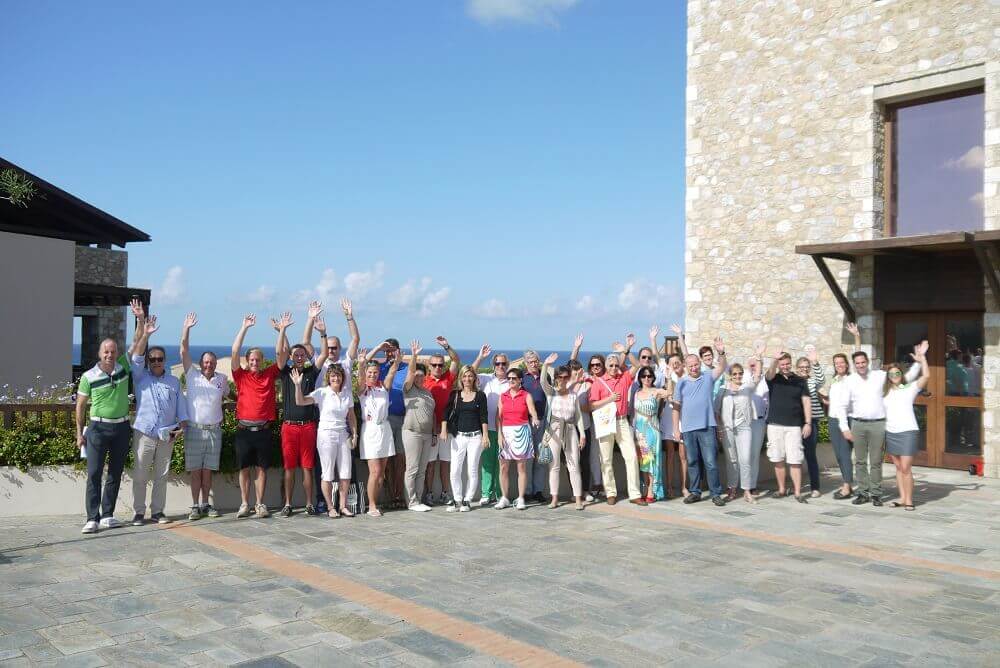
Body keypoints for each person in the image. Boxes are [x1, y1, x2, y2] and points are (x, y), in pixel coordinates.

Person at [75, 298, 147, 534]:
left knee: (115, 473)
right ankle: (91, 517)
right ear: (100, 353)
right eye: (106, 351)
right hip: (97, 428)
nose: (110, 354)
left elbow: (137, 342)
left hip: (121, 428)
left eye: (113, 351)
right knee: (94, 474)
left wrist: (139, 318)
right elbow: (81, 407)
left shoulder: (123, 367)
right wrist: (79, 433)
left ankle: (107, 514)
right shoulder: (89, 376)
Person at [842, 334, 921, 507]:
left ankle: (876, 494)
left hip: (878, 424)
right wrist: (844, 426)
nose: (861, 365)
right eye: (857, 363)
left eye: (863, 362)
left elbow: (904, 377)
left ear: (868, 362)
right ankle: (863, 492)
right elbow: (842, 405)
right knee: (861, 461)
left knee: (876, 461)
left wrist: (919, 361)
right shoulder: (850, 380)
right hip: (857, 424)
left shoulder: (879, 375)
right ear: (854, 365)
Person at [302, 298, 360, 512]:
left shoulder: (345, 363)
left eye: (335, 347)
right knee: (323, 466)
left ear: (339, 348)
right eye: (329, 347)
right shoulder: (320, 360)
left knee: (346, 466)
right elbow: (305, 342)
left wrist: (349, 315)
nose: (332, 350)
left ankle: (346, 504)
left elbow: (356, 338)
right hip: (323, 419)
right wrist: (310, 319)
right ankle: (322, 501)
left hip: (346, 417)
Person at [129, 313, 188, 526]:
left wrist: (181, 428)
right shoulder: (140, 376)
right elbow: (136, 356)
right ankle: (138, 512)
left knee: (162, 476)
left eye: (159, 359)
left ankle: (158, 512)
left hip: (166, 435)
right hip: (144, 433)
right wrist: (145, 333)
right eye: (152, 359)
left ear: (165, 361)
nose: (155, 362)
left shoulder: (173, 382)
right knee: (140, 475)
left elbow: (181, 408)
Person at [231, 312, 291, 518]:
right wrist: (244, 327)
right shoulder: (241, 376)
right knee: (244, 469)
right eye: (252, 359)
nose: (255, 362)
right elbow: (234, 350)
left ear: (262, 361)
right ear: (247, 361)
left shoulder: (269, 373)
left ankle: (259, 504)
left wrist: (281, 330)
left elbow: (283, 355)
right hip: (244, 431)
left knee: (262, 469)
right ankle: (244, 504)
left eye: (258, 359)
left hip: (263, 430)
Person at [277, 314, 329, 517]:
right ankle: (288, 504)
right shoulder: (285, 372)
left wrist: (323, 333)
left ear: (307, 357)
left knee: (307, 467)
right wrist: (282, 330)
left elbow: (324, 354)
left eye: (302, 355)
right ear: (291, 357)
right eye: (296, 354)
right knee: (289, 468)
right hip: (289, 427)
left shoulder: (310, 372)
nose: (299, 357)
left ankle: (309, 503)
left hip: (308, 426)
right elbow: (279, 352)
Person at [290, 363, 358, 517]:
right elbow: (300, 401)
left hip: (343, 434)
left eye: (338, 375)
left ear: (342, 377)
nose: (336, 378)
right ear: (329, 378)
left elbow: (352, 416)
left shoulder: (347, 393)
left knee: (346, 472)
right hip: (326, 434)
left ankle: (343, 506)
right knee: (327, 473)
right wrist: (297, 386)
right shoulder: (322, 393)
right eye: (333, 375)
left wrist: (355, 434)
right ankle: (330, 507)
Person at [180, 312, 228, 520]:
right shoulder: (192, 376)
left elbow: (228, 396)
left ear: (216, 364)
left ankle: (206, 505)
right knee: (195, 471)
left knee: (208, 471)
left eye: (212, 362)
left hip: (214, 431)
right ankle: (194, 506)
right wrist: (187, 328)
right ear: (201, 363)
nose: (209, 365)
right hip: (194, 430)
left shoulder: (222, 379)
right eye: (206, 362)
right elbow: (183, 349)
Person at [672, 338, 728, 507]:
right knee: (693, 461)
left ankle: (716, 493)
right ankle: (695, 492)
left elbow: (722, 367)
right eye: (691, 366)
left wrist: (721, 352)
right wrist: (676, 429)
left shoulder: (707, 377)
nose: (694, 368)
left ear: (699, 364)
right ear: (686, 366)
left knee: (710, 462)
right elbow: (676, 408)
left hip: (707, 426)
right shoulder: (681, 383)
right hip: (688, 429)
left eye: (696, 364)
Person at [588, 351, 646, 506]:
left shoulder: (624, 378)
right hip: (606, 422)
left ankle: (634, 494)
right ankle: (610, 493)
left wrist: (625, 351)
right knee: (606, 459)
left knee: (632, 457)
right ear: (606, 367)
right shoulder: (598, 382)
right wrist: (610, 399)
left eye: (616, 365)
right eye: (611, 365)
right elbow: (592, 405)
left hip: (621, 421)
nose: (614, 368)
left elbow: (637, 365)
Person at [884, 341, 929, 511]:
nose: (894, 375)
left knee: (905, 467)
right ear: (888, 377)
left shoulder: (909, 388)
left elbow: (925, 376)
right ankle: (902, 498)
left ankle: (909, 500)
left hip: (908, 432)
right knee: (897, 467)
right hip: (891, 432)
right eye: (891, 373)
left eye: (897, 372)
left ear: (900, 374)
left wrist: (922, 359)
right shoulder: (885, 392)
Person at [358, 345, 401, 517]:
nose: (372, 375)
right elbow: (361, 376)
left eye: (375, 373)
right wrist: (362, 364)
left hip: (385, 429)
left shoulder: (383, 386)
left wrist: (397, 361)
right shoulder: (363, 389)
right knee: (374, 471)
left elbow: (392, 372)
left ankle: (375, 501)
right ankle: (372, 505)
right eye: (370, 373)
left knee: (382, 472)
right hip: (370, 430)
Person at [540, 354, 587, 510]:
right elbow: (542, 382)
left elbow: (578, 416)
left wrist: (583, 434)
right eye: (560, 377)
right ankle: (554, 498)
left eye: (566, 377)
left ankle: (578, 499)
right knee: (553, 466)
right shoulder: (551, 392)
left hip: (570, 430)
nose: (563, 379)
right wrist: (545, 364)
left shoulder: (573, 395)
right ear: (555, 378)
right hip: (553, 430)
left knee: (573, 464)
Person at [822, 322, 863, 500]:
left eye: (841, 362)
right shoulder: (833, 380)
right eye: (836, 363)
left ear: (847, 365)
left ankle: (847, 486)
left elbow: (858, 354)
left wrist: (856, 336)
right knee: (838, 454)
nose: (839, 365)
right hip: (833, 419)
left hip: (848, 420)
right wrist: (826, 400)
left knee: (845, 453)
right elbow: (823, 394)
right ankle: (847, 482)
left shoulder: (852, 378)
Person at [764, 351, 812, 503]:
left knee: (795, 460)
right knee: (778, 459)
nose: (785, 367)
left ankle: (798, 492)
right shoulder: (774, 379)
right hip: (775, 425)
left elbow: (806, 402)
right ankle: (782, 489)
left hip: (794, 426)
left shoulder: (800, 380)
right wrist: (774, 359)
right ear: (779, 364)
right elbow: (769, 373)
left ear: (791, 364)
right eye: (782, 364)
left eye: (787, 364)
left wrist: (808, 423)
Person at [442, 365, 489, 512]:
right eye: (464, 376)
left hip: (476, 437)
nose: (467, 379)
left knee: (472, 470)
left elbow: (483, 416)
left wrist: (485, 436)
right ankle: (457, 500)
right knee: (455, 470)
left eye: (470, 376)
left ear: (474, 378)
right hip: (458, 437)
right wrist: (444, 430)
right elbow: (445, 413)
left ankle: (467, 500)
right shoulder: (455, 395)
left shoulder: (480, 395)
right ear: (460, 378)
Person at [714, 362, 761, 504]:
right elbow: (716, 411)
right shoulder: (723, 389)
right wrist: (719, 428)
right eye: (734, 374)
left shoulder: (747, 387)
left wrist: (758, 358)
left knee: (745, 459)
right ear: (730, 376)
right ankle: (732, 488)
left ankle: (746, 490)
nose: (738, 376)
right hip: (727, 428)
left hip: (744, 427)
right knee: (731, 460)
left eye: (740, 373)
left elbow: (757, 377)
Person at [423, 336, 460, 508]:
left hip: (446, 429)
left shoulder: (448, 378)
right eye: (434, 365)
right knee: (430, 464)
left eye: (440, 364)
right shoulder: (422, 381)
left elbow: (455, 360)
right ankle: (428, 494)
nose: (438, 367)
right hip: (429, 430)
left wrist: (447, 346)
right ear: (429, 366)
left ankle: (446, 493)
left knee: (445, 463)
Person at [495, 367, 540, 510]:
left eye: (514, 378)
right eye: (509, 378)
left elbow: (532, 412)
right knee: (503, 467)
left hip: (522, 432)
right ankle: (505, 498)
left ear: (520, 380)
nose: (511, 381)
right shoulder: (503, 396)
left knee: (521, 467)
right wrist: (499, 435)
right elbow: (498, 417)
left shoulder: (526, 395)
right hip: (506, 433)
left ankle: (520, 498)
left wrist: (535, 419)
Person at [401, 341, 435, 512]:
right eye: (417, 376)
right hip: (412, 433)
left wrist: (434, 433)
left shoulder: (428, 393)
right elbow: (410, 372)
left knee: (422, 470)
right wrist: (414, 355)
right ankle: (411, 501)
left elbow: (432, 415)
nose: (419, 378)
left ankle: (418, 500)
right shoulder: (408, 390)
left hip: (427, 435)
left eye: (422, 376)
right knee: (412, 469)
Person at [632, 365, 674, 502]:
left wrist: (668, 377)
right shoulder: (636, 392)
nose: (646, 378)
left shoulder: (656, 391)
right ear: (640, 378)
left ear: (653, 377)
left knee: (652, 460)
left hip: (652, 429)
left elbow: (669, 393)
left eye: (649, 376)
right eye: (643, 376)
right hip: (639, 431)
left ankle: (652, 490)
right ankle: (646, 487)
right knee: (644, 460)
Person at [474, 345, 508, 506]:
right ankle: (486, 494)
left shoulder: (512, 382)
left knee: (501, 464)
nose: (501, 366)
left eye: (503, 364)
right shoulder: (486, 378)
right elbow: (469, 373)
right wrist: (480, 357)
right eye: (498, 363)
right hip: (487, 429)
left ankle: (500, 494)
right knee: (487, 463)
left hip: (506, 430)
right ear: (493, 365)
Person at [794, 347, 826, 497]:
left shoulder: (813, 381)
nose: (804, 370)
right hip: (794, 422)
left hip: (811, 422)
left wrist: (815, 362)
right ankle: (796, 487)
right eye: (801, 367)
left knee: (810, 455)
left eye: (807, 367)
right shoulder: (793, 382)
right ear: (796, 368)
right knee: (795, 456)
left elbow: (822, 379)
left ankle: (815, 487)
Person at [521, 350, 550, 503]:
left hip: (543, 420)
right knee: (528, 457)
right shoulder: (522, 378)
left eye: (535, 361)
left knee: (540, 457)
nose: (533, 364)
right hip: (525, 422)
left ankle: (538, 491)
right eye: (530, 362)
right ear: (526, 363)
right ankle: (527, 491)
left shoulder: (546, 376)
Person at [660, 353, 687, 499]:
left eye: (678, 362)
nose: (675, 364)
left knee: (683, 455)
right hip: (669, 417)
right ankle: (669, 486)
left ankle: (684, 487)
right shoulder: (664, 378)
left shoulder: (687, 378)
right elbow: (669, 396)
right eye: (672, 362)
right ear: (668, 364)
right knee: (670, 454)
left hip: (683, 417)